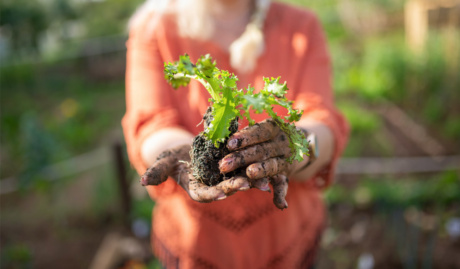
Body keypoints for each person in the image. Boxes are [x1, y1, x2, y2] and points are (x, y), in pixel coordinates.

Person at [122, 0, 349, 268]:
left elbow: (320, 119)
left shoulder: (301, 27)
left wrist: (294, 147)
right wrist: (188, 156)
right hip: (194, 242)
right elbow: (152, 125)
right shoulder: (154, 28)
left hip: (290, 239)